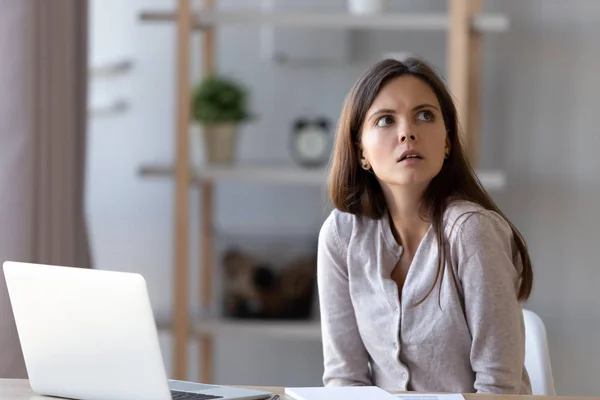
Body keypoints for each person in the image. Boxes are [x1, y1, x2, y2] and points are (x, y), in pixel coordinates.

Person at [317, 57, 533, 394]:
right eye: (386, 120)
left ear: (447, 141)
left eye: (425, 115)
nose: (408, 133)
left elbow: (499, 388)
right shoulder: (342, 235)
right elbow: (345, 381)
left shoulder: (471, 232)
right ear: (361, 151)